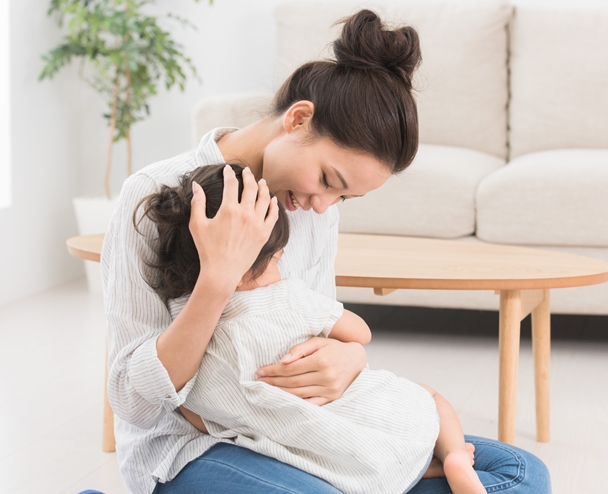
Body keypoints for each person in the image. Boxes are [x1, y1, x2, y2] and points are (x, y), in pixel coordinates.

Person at [100, 8, 552, 494]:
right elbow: (135, 401)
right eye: (327, 181)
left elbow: (318, 321)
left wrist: (349, 357)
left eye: (343, 198)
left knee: (520, 474)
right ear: (298, 119)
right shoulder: (152, 196)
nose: (322, 206)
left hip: (315, 434)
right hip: (196, 447)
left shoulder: (312, 210)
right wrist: (216, 281)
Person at [137, 162, 488, 494]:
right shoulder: (287, 297)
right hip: (376, 423)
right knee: (429, 397)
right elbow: (360, 331)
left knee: (304, 443)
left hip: (330, 459)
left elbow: (198, 417)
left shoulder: (188, 331)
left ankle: (406, 468)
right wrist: (351, 348)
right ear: (258, 262)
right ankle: (453, 455)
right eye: (276, 258)